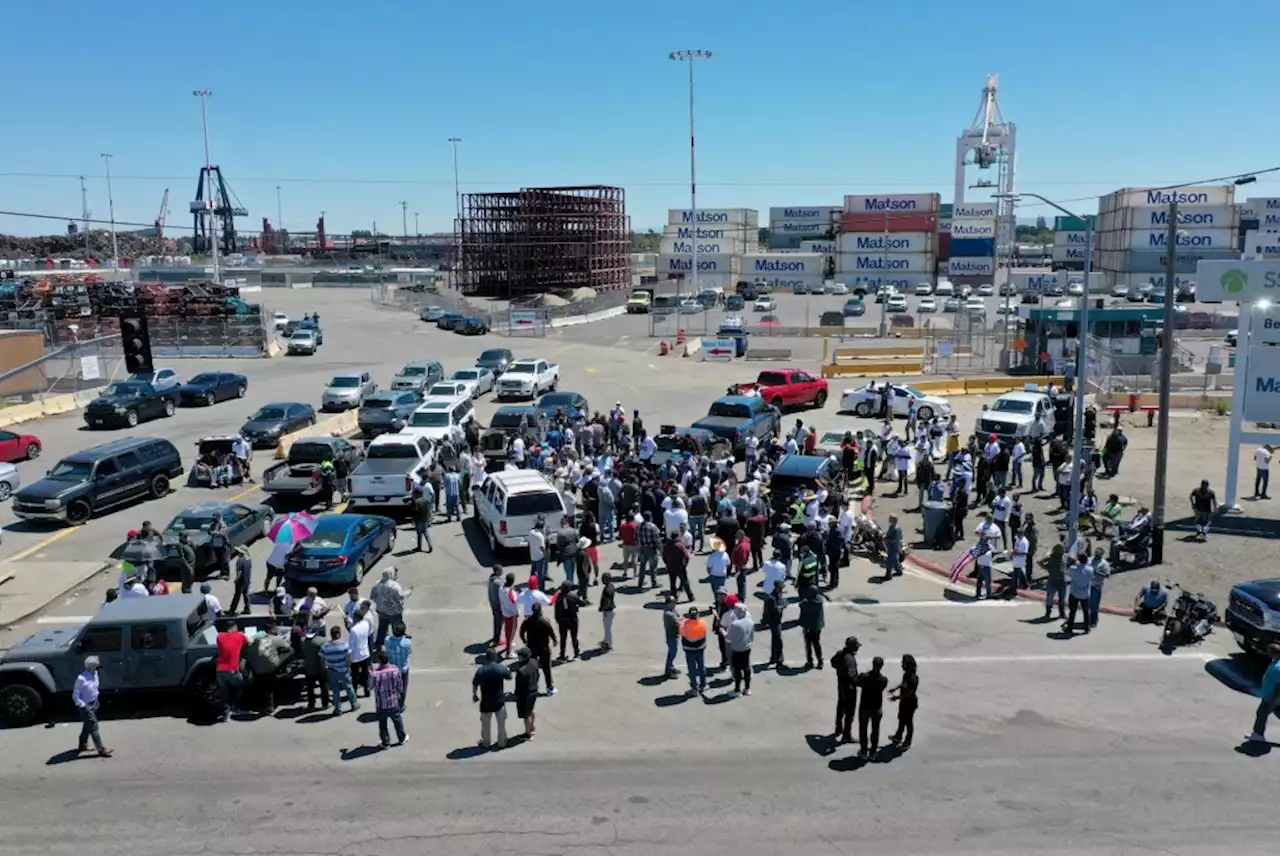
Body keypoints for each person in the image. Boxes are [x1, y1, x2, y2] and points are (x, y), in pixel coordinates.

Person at [246, 620, 294, 712]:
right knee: (270, 686)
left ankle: (258, 705)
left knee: (260, 685)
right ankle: (270, 706)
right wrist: (280, 660)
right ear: (272, 630)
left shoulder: (256, 639)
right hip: (270, 666)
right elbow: (290, 650)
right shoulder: (275, 639)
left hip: (256, 667)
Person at [472, 648, 513, 750]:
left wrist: (475, 695)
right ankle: (502, 742)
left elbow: (475, 684)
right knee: (501, 724)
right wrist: (508, 670)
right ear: (495, 657)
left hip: (486, 702)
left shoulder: (481, 670)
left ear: (486, 658)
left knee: (485, 724)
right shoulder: (500, 668)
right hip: (499, 701)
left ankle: (486, 743)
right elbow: (509, 676)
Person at [72, 655, 112, 757]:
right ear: (92, 667)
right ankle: (101, 749)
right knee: (94, 726)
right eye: (97, 667)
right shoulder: (81, 678)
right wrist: (83, 706)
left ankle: (82, 744)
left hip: (94, 703)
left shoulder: (95, 674)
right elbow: (75, 695)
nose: (98, 669)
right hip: (85, 706)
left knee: (87, 725)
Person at [368, 650, 408, 748]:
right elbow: (400, 685)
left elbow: (370, 687)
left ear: (379, 661)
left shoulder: (375, 674)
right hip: (393, 701)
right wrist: (398, 694)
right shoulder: (395, 670)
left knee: (382, 724)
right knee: (397, 720)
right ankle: (401, 738)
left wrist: (370, 675)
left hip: (381, 703)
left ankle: (385, 742)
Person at [519, 603, 557, 696]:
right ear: (540, 610)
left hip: (532, 648)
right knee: (547, 669)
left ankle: (531, 688)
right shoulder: (544, 621)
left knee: (532, 668)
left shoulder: (527, 621)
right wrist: (555, 640)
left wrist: (525, 640)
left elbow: (521, 632)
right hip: (544, 648)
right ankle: (549, 688)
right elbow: (551, 632)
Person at [1245, 643, 1280, 743]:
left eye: (1269, 651)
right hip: (1273, 698)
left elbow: (1279, 686)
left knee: (1261, 714)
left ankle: (1258, 734)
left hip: (1271, 698)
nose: (1267, 653)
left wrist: (1273, 700)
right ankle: (1257, 734)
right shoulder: (1276, 662)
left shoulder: (1277, 668)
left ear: (1273, 653)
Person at [321, 625, 360, 716]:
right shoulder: (344, 645)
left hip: (332, 670)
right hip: (343, 670)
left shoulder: (325, 647)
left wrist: (325, 668)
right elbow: (348, 658)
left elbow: (322, 660)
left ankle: (338, 709)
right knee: (349, 687)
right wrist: (349, 667)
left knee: (335, 690)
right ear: (338, 635)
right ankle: (354, 704)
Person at [214, 620, 248, 721]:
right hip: (231, 669)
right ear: (234, 627)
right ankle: (235, 707)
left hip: (219, 669)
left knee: (224, 691)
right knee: (242, 685)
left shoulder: (219, 637)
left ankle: (225, 712)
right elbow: (247, 642)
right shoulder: (240, 636)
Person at [856, 655, 888, 759]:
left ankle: (864, 751)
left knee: (863, 729)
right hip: (876, 707)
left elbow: (857, 682)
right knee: (875, 729)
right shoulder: (883, 679)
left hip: (865, 707)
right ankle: (873, 752)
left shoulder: (865, 676)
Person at [370, 567, 409, 651]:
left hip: (382, 611)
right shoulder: (395, 586)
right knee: (397, 628)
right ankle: (400, 643)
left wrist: (380, 602)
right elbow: (400, 597)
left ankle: (378, 645)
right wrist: (408, 593)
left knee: (382, 629)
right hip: (394, 612)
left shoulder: (377, 584)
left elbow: (372, 597)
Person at [724, 595, 755, 697]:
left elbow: (728, 638)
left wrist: (723, 631)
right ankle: (747, 688)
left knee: (737, 670)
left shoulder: (735, 624)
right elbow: (752, 636)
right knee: (746, 668)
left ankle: (737, 690)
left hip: (737, 649)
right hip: (747, 647)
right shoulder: (750, 621)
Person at [831, 636, 859, 744]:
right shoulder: (850, 659)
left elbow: (833, 662)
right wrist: (860, 681)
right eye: (856, 646)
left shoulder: (840, 654)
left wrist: (840, 669)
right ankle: (847, 735)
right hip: (849, 689)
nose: (858, 648)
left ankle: (838, 729)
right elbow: (851, 675)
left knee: (840, 707)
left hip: (841, 686)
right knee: (849, 712)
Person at [889, 654, 919, 747]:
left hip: (910, 702)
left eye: (904, 664)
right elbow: (903, 684)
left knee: (908, 721)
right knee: (901, 719)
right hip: (904, 701)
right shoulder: (906, 675)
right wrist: (895, 688)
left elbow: (909, 693)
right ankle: (898, 735)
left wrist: (897, 697)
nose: (902, 665)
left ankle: (908, 740)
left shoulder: (913, 678)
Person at [301, 623, 331, 711]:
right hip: (320, 668)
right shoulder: (322, 641)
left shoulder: (304, 641)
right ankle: (325, 704)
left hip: (309, 668)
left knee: (310, 688)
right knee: (324, 686)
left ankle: (311, 705)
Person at [1063, 555, 1096, 636]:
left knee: (1072, 611)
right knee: (1086, 612)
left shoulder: (1073, 568)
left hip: (1074, 592)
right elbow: (1092, 578)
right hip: (1085, 594)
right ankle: (1086, 628)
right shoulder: (1090, 569)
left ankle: (1069, 628)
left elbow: (1068, 574)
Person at [680, 606, 708, 696]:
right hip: (700, 649)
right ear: (698, 614)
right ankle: (703, 685)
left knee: (692, 669)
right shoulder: (703, 623)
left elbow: (681, 633)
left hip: (689, 650)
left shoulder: (684, 625)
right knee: (701, 667)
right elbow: (704, 633)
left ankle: (694, 688)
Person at [384, 621, 413, 710]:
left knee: (392, 687)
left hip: (392, 669)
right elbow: (409, 652)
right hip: (403, 668)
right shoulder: (407, 642)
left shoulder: (388, 640)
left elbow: (386, 646)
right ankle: (400, 705)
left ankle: (391, 703)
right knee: (403, 687)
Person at [348, 607, 374, 697]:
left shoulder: (353, 630)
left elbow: (350, 647)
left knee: (354, 676)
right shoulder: (366, 624)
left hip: (356, 656)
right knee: (365, 674)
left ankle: (354, 692)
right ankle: (366, 690)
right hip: (365, 653)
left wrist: (349, 659)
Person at [799, 586, 827, 669]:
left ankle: (810, 661)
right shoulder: (820, 600)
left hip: (809, 626)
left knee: (808, 644)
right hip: (818, 626)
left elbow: (801, 607)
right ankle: (820, 661)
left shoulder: (807, 602)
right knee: (816, 643)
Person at [554, 581, 583, 661]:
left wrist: (557, 619)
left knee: (563, 638)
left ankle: (562, 655)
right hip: (572, 618)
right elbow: (581, 603)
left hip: (562, 620)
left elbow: (556, 609)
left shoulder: (559, 596)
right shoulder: (573, 595)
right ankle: (576, 654)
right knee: (574, 637)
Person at [762, 579, 787, 669]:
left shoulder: (777, 595)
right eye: (781, 587)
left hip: (776, 621)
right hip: (774, 622)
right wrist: (783, 605)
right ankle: (779, 661)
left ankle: (773, 658)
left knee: (775, 640)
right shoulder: (771, 598)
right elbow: (776, 610)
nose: (782, 590)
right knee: (778, 641)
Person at [661, 595, 682, 678]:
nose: (675, 604)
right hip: (671, 636)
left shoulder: (672, 610)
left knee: (673, 652)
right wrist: (680, 619)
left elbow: (680, 617)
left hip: (674, 635)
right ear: (668, 604)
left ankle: (671, 667)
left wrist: (680, 619)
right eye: (673, 603)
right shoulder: (668, 614)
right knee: (671, 654)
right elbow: (679, 622)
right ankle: (668, 671)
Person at [228, 547, 252, 615]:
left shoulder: (240, 560)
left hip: (240, 581)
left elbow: (239, 571)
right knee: (246, 594)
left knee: (237, 596)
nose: (237, 552)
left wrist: (236, 579)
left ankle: (232, 610)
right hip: (247, 580)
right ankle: (247, 609)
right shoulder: (248, 559)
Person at [412, 485, 434, 552]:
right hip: (425, 519)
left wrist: (413, 520)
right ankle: (430, 546)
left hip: (418, 520)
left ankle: (419, 547)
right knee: (425, 532)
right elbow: (429, 510)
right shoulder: (426, 500)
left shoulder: (417, 502)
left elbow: (415, 512)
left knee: (419, 534)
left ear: (417, 494)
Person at [599, 572, 617, 652]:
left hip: (608, 611)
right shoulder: (611, 586)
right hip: (610, 610)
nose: (602, 580)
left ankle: (608, 645)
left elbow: (607, 603)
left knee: (607, 629)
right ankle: (605, 641)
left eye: (603, 578)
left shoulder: (607, 590)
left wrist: (602, 609)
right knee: (606, 628)